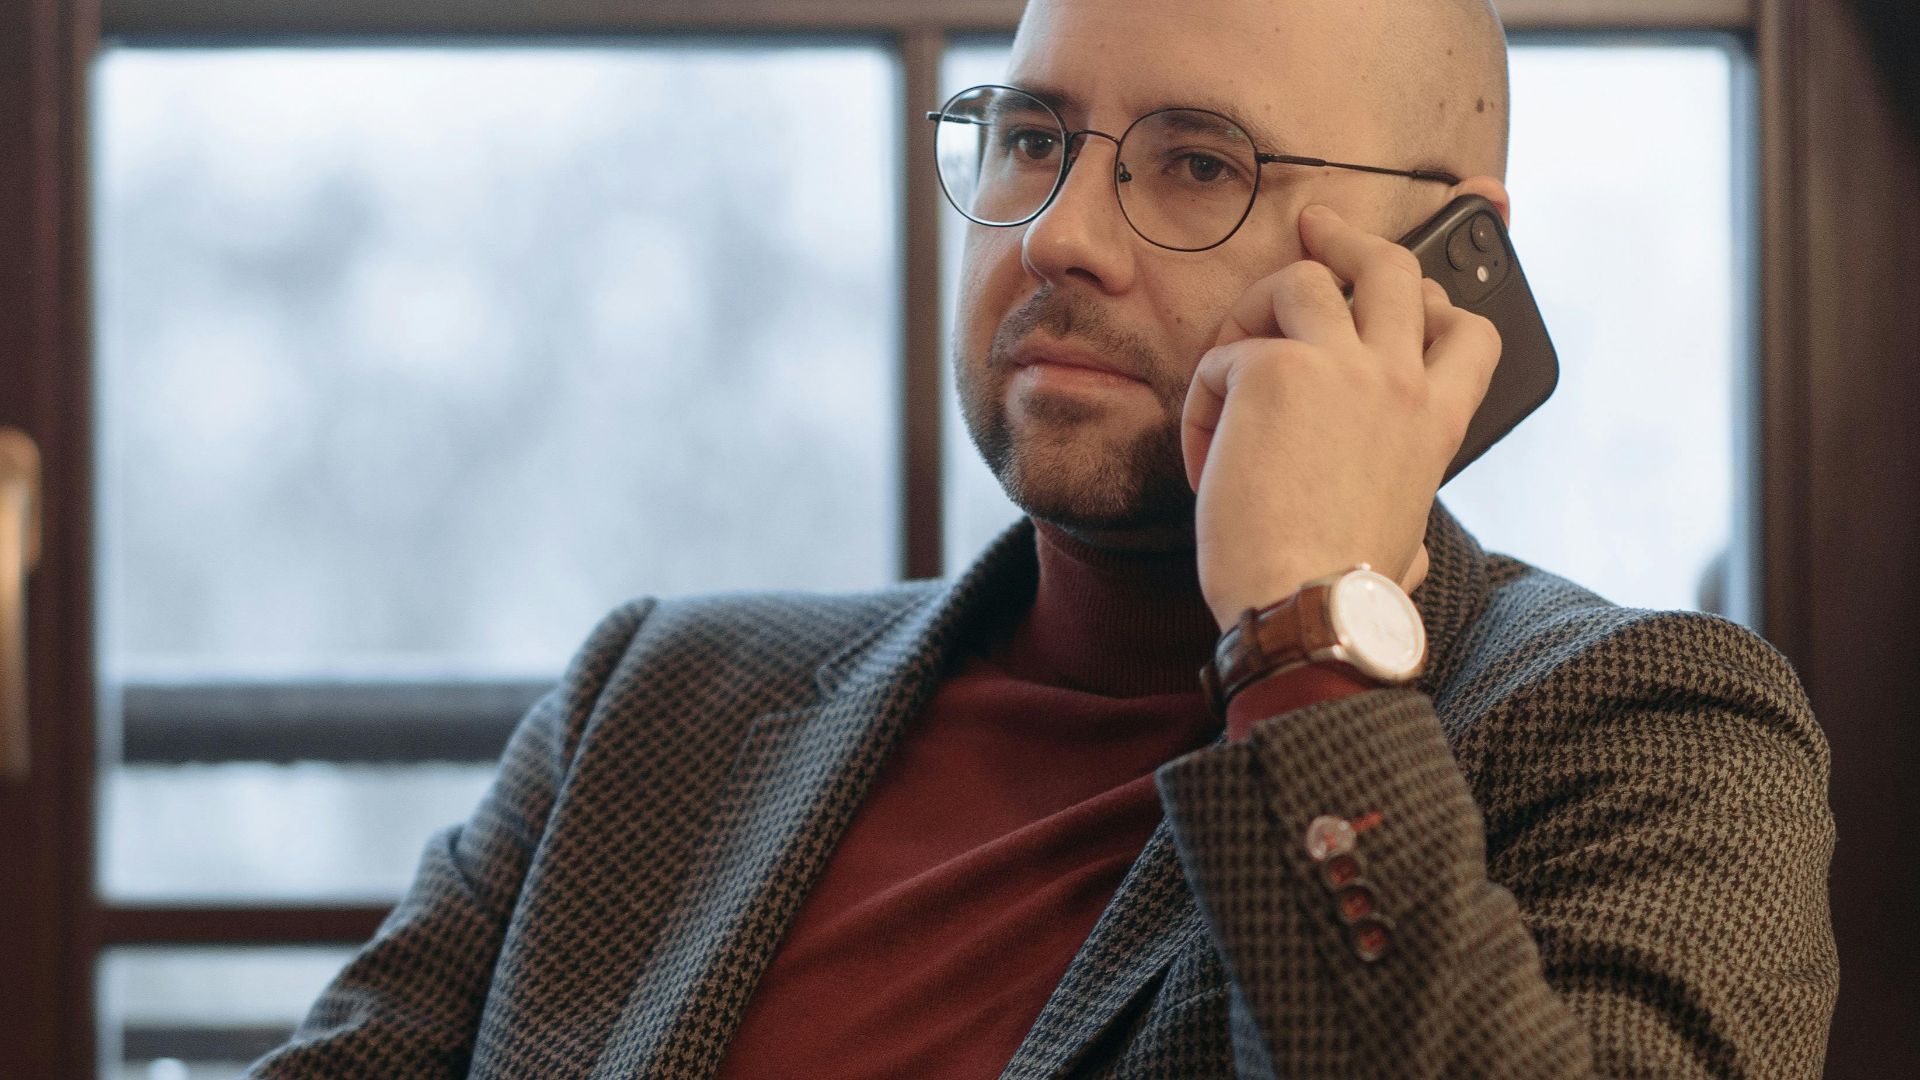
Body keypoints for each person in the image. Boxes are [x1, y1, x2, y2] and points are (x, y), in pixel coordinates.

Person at [248, 0, 1837, 1075]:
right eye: (1031, 137)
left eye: (1196, 163)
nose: (1058, 235)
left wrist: (1300, 628)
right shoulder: (658, 698)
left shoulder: (1655, 736)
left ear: (1443, 252)